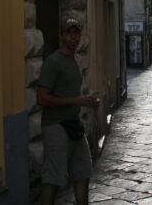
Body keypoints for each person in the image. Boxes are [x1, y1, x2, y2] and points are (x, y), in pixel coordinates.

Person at [36, 17, 99, 205]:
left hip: (73, 124)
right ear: (62, 36)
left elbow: (71, 92)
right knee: (53, 178)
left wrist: (86, 102)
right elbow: (41, 98)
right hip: (55, 125)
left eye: (76, 33)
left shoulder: (75, 60)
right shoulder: (53, 62)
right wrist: (77, 100)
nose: (73, 37)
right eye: (68, 33)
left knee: (83, 171)